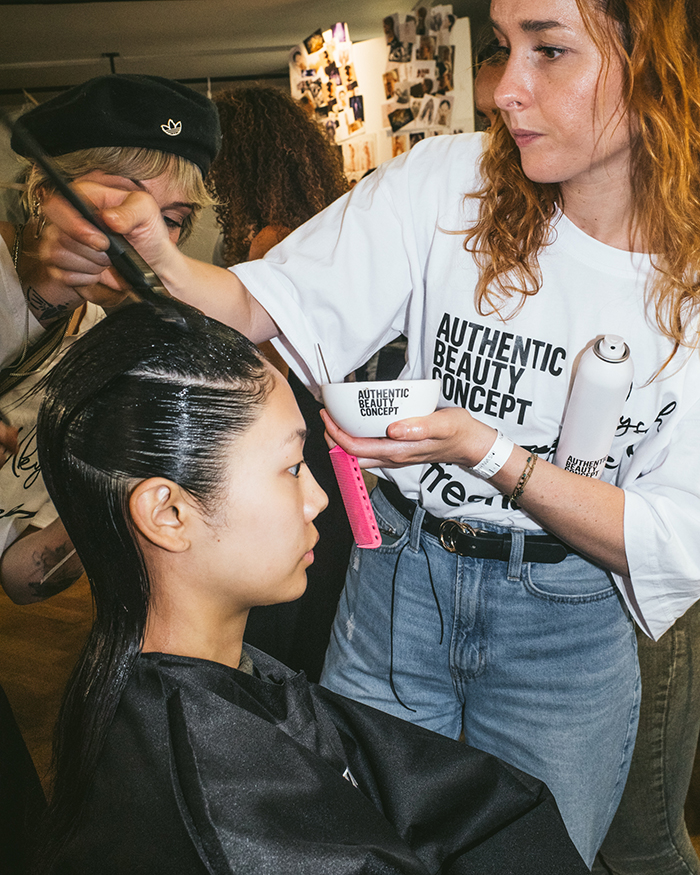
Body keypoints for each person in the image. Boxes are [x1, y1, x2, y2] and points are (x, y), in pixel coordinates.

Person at [34, 0, 700, 866]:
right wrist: (164, 262)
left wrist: (491, 455)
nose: (505, 89)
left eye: (550, 51)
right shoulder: (451, 181)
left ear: (655, 65)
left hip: (561, 624)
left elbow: (674, 536)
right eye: (504, 50)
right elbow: (262, 303)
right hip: (399, 585)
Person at [33, 301, 587, 874]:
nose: (318, 499)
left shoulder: (177, 691)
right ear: (169, 513)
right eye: (293, 467)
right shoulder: (213, 798)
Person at [0, 73, 219, 606]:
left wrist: (132, 476)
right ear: (43, 187)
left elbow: (24, 576)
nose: (140, 231)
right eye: (120, 196)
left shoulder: (101, 345)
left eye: (171, 218)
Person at [207, 86, 352, 680]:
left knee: (282, 630)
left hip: (297, 441)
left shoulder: (271, 242)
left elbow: (262, 374)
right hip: (335, 434)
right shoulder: (327, 228)